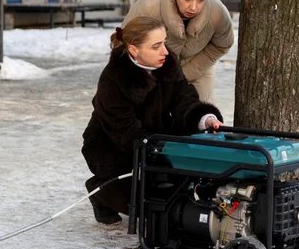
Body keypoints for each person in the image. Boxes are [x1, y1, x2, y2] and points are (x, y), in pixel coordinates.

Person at [81, 16, 223, 225]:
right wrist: (159, 150)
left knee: (172, 196)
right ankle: (99, 191)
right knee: (145, 207)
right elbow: (124, 129)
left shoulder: (167, 63)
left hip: (154, 136)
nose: (165, 51)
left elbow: (184, 98)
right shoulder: (113, 79)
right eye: (156, 46)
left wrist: (205, 118)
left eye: (164, 42)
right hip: (111, 147)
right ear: (134, 49)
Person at [122, 0, 234, 103]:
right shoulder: (149, 6)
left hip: (198, 67)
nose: (193, 7)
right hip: (152, 70)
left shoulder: (217, 13)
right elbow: (123, 41)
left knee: (200, 115)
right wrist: (145, 74)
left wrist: (185, 73)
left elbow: (222, 45)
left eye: (201, 0)